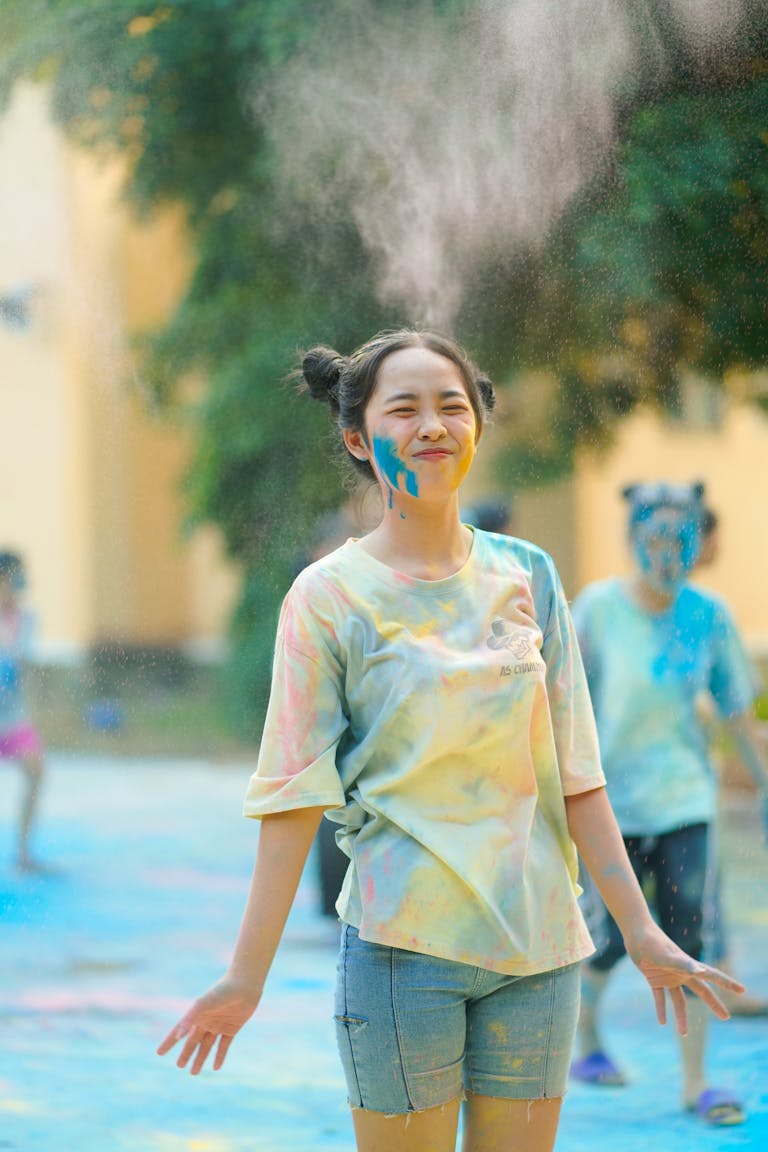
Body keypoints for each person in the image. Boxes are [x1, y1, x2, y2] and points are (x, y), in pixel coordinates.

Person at [158, 333, 742, 1152]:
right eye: (404, 408)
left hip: (539, 951)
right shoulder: (328, 598)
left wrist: (641, 932)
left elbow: (576, 775)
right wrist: (245, 976)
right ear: (358, 438)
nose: (433, 424)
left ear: (476, 426)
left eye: (452, 406)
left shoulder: (530, 576)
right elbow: (292, 797)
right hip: (403, 955)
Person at [570, 482, 768, 1128]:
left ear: (696, 547)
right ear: (633, 542)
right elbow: (560, 699)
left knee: (688, 936)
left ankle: (696, 1082)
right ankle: (588, 1041)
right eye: (654, 540)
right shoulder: (597, 609)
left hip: (685, 798)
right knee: (604, 940)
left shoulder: (708, 615)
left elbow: (738, 711)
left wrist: (765, 783)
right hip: (609, 803)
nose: (666, 554)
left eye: (679, 541)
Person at [694, 506, 768, 1016]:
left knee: (702, 882)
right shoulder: (699, 611)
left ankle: (723, 978)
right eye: (714, 537)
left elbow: (734, 703)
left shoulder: (704, 612)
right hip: (651, 780)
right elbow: (734, 709)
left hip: (685, 781)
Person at [0, 551, 47, 871]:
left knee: (36, 770)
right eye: (13, 578)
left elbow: (24, 671)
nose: (18, 585)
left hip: (11, 716)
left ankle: (23, 850)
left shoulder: (26, 620)